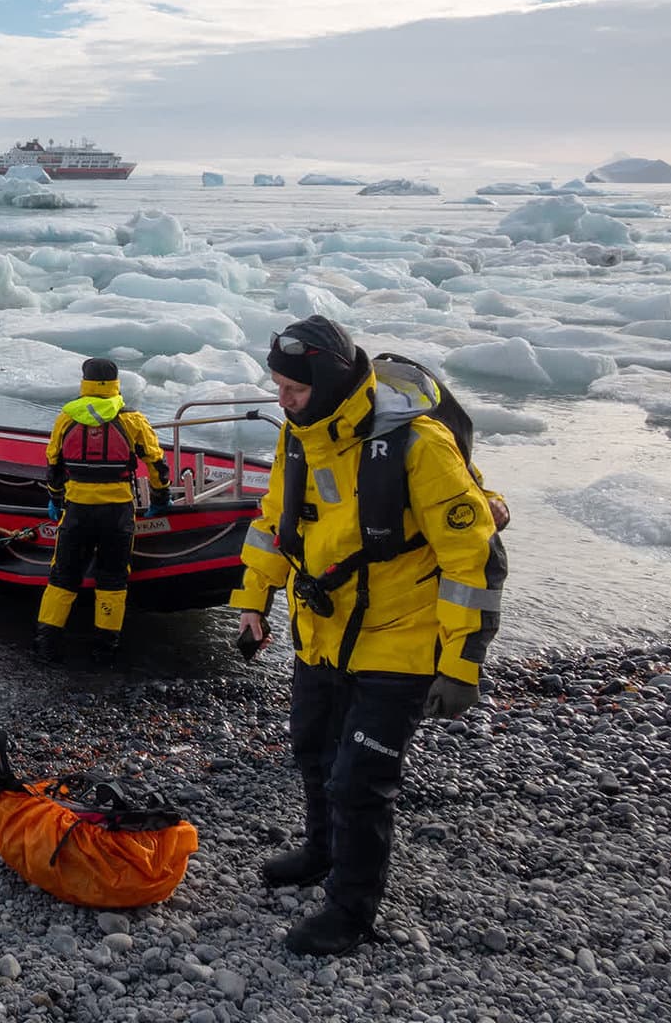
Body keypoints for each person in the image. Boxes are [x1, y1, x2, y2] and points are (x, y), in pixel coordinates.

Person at [230, 315, 506, 957]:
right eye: (276, 385)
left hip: (402, 641)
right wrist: (252, 603)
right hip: (321, 631)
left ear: (325, 381)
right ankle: (322, 852)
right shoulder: (299, 437)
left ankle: (351, 912)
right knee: (313, 749)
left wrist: (462, 664)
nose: (282, 399)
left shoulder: (418, 445)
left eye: (292, 388)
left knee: (361, 781)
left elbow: (475, 561)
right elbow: (274, 522)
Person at [35, 357, 171, 662]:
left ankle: (45, 646)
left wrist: (56, 500)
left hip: (77, 509)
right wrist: (161, 498)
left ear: (85, 382)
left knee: (62, 576)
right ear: (115, 383)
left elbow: (53, 465)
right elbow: (157, 463)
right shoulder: (132, 419)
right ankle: (104, 650)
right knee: (112, 578)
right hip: (118, 512)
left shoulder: (66, 418)